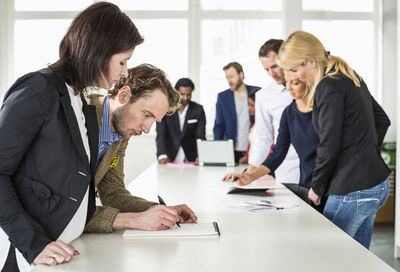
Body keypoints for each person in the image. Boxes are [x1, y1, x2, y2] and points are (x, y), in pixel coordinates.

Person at [0, 2, 144, 270]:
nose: (125, 72)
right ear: (98, 52)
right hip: (33, 256)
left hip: (71, 253)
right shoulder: (39, 89)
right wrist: (34, 244)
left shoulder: (83, 101)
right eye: (122, 61)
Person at [276, 30, 390, 249]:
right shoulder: (349, 75)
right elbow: (382, 120)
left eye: (295, 70)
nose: (295, 77)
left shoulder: (327, 87)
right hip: (376, 185)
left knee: (327, 257)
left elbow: (328, 144)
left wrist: (317, 188)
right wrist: (364, 153)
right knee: (356, 261)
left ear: (310, 61)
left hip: (351, 191)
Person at [85, 65, 197, 233]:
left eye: (153, 120)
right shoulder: (80, 115)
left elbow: (113, 194)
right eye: (146, 115)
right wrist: (132, 220)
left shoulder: (121, 133)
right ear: (123, 95)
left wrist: (159, 210)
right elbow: (65, 207)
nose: (146, 129)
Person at [223, 72, 323, 211]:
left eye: (295, 83)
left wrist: (319, 186)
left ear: (308, 83)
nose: (289, 88)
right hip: (306, 183)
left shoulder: (322, 109)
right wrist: (251, 176)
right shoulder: (289, 112)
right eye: (286, 83)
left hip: (327, 185)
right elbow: (278, 151)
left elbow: (330, 150)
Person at [247, 39, 300, 191]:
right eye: (267, 69)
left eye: (275, 66)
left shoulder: (311, 86)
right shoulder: (264, 96)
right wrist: (250, 172)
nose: (272, 74)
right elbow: (263, 137)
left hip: (317, 173)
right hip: (287, 173)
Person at [213, 62, 259, 163]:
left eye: (232, 76)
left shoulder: (257, 92)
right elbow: (219, 126)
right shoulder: (223, 97)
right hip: (231, 151)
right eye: (227, 77)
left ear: (241, 75)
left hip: (254, 150)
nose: (229, 80)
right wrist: (218, 151)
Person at [156, 78, 206, 164]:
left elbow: (200, 135)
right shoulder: (165, 108)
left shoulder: (198, 110)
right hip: (170, 156)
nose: (185, 98)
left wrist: (200, 156)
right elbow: (161, 134)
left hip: (192, 157)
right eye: (182, 94)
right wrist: (162, 155)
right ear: (176, 92)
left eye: (188, 94)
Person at [238, 87, 261, 164]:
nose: (249, 108)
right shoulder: (253, 123)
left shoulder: (268, 125)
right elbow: (252, 144)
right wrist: (246, 157)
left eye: (252, 105)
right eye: (249, 105)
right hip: (252, 164)